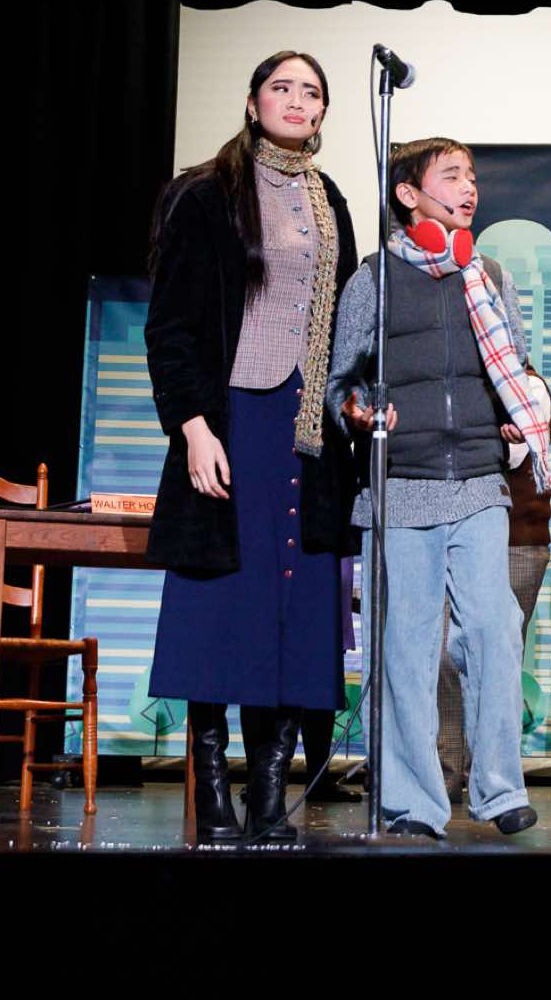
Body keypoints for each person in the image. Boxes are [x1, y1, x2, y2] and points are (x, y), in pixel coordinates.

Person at [144, 50, 360, 844]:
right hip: (231, 418)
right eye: (282, 87)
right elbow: (170, 326)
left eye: (311, 92)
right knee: (220, 601)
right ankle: (212, 786)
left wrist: (354, 399)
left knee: (293, 607)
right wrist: (193, 426)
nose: (297, 101)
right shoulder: (206, 195)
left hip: (306, 430)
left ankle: (269, 794)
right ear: (252, 100)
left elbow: (348, 322)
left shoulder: (330, 200)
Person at [327, 137, 544, 839]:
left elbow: (516, 367)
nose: (469, 187)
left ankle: (499, 788)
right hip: (401, 485)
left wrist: (518, 416)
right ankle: (414, 802)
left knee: (494, 630)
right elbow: (340, 382)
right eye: (452, 176)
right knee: (406, 646)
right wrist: (360, 411)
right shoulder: (374, 279)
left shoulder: (491, 276)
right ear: (408, 194)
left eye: (472, 176)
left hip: (479, 480)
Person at [434, 365, 551, 802]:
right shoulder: (460, 384)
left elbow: (511, 455)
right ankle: (448, 769)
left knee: (495, 658)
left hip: (518, 545)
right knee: (446, 657)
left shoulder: (530, 388)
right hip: (458, 539)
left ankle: (488, 774)